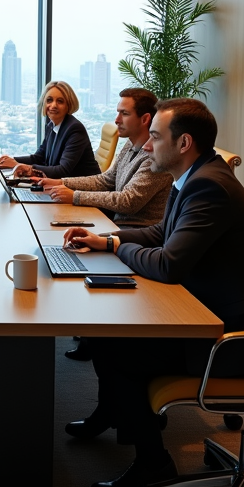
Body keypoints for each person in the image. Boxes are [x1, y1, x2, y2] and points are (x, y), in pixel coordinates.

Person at [60, 98, 244, 487]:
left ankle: (153, 462)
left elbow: (168, 264)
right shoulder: (197, 176)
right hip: (219, 309)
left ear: (183, 143)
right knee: (108, 334)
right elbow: (159, 233)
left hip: (242, 336)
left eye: (154, 137)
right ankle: (113, 412)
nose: (146, 146)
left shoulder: (208, 187)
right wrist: (105, 239)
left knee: (117, 347)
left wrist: (115, 247)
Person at [37, 88, 172, 360]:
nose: (117, 119)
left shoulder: (154, 158)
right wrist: (62, 183)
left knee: (69, 249)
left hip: (137, 233)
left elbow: (128, 201)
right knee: (61, 245)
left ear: (145, 119)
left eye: (124, 113)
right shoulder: (129, 145)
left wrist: (73, 195)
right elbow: (106, 180)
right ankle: (90, 333)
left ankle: (94, 333)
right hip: (117, 225)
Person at [0, 81, 101, 179]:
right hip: (59, 187)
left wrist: (19, 166)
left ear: (68, 106)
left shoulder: (74, 129)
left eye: (60, 101)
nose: (53, 105)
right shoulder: (51, 125)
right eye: (49, 100)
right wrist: (11, 160)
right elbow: (39, 157)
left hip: (82, 191)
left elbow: (62, 170)